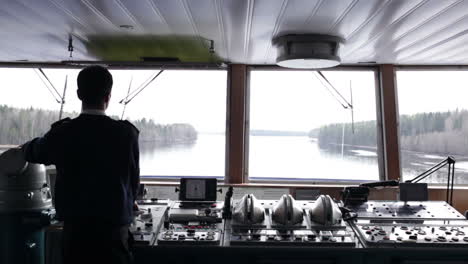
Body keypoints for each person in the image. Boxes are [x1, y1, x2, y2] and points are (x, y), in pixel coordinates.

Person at [20, 66, 140, 264]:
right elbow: (133, 180)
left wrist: (24, 148)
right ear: (108, 96)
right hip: (114, 237)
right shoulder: (127, 134)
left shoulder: (62, 133)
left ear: (79, 94)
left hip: (77, 236)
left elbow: (33, 152)